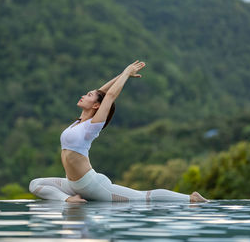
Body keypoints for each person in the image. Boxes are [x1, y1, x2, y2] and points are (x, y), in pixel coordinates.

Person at [29, 60, 207, 203]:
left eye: (89, 95)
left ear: (97, 106)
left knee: (143, 197)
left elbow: (110, 96)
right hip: (72, 184)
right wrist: (123, 73)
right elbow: (103, 92)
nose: (84, 95)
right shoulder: (78, 122)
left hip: (91, 185)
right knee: (35, 184)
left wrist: (127, 74)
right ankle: (68, 199)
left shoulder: (93, 125)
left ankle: (191, 198)